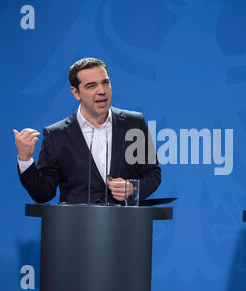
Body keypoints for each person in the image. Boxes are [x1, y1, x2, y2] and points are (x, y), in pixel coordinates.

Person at [14, 57, 161, 204]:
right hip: (76, 225)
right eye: (91, 86)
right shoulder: (56, 135)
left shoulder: (134, 123)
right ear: (76, 93)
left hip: (125, 223)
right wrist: (25, 159)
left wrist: (132, 188)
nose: (102, 91)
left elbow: (152, 174)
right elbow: (43, 193)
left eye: (105, 83)